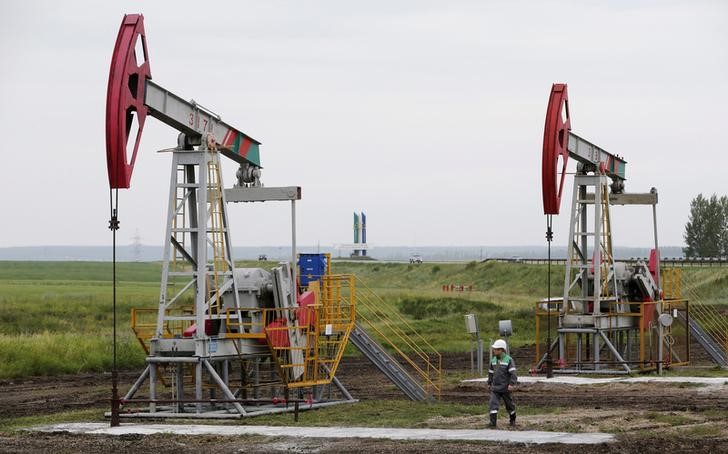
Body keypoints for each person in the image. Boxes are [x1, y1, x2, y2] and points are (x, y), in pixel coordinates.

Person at [487, 339, 517, 428]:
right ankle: (493, 423)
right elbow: (490, 372)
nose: (494, 350)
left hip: (506, 388)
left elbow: (513, 373)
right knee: (493, 404)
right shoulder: (493, 360)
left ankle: (512, 420)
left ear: (501, 350)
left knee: (510, 405)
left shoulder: (509, 360)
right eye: (494, 349)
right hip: (495, 388)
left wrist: (511, 384)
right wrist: (489, 382)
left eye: (496, 349)